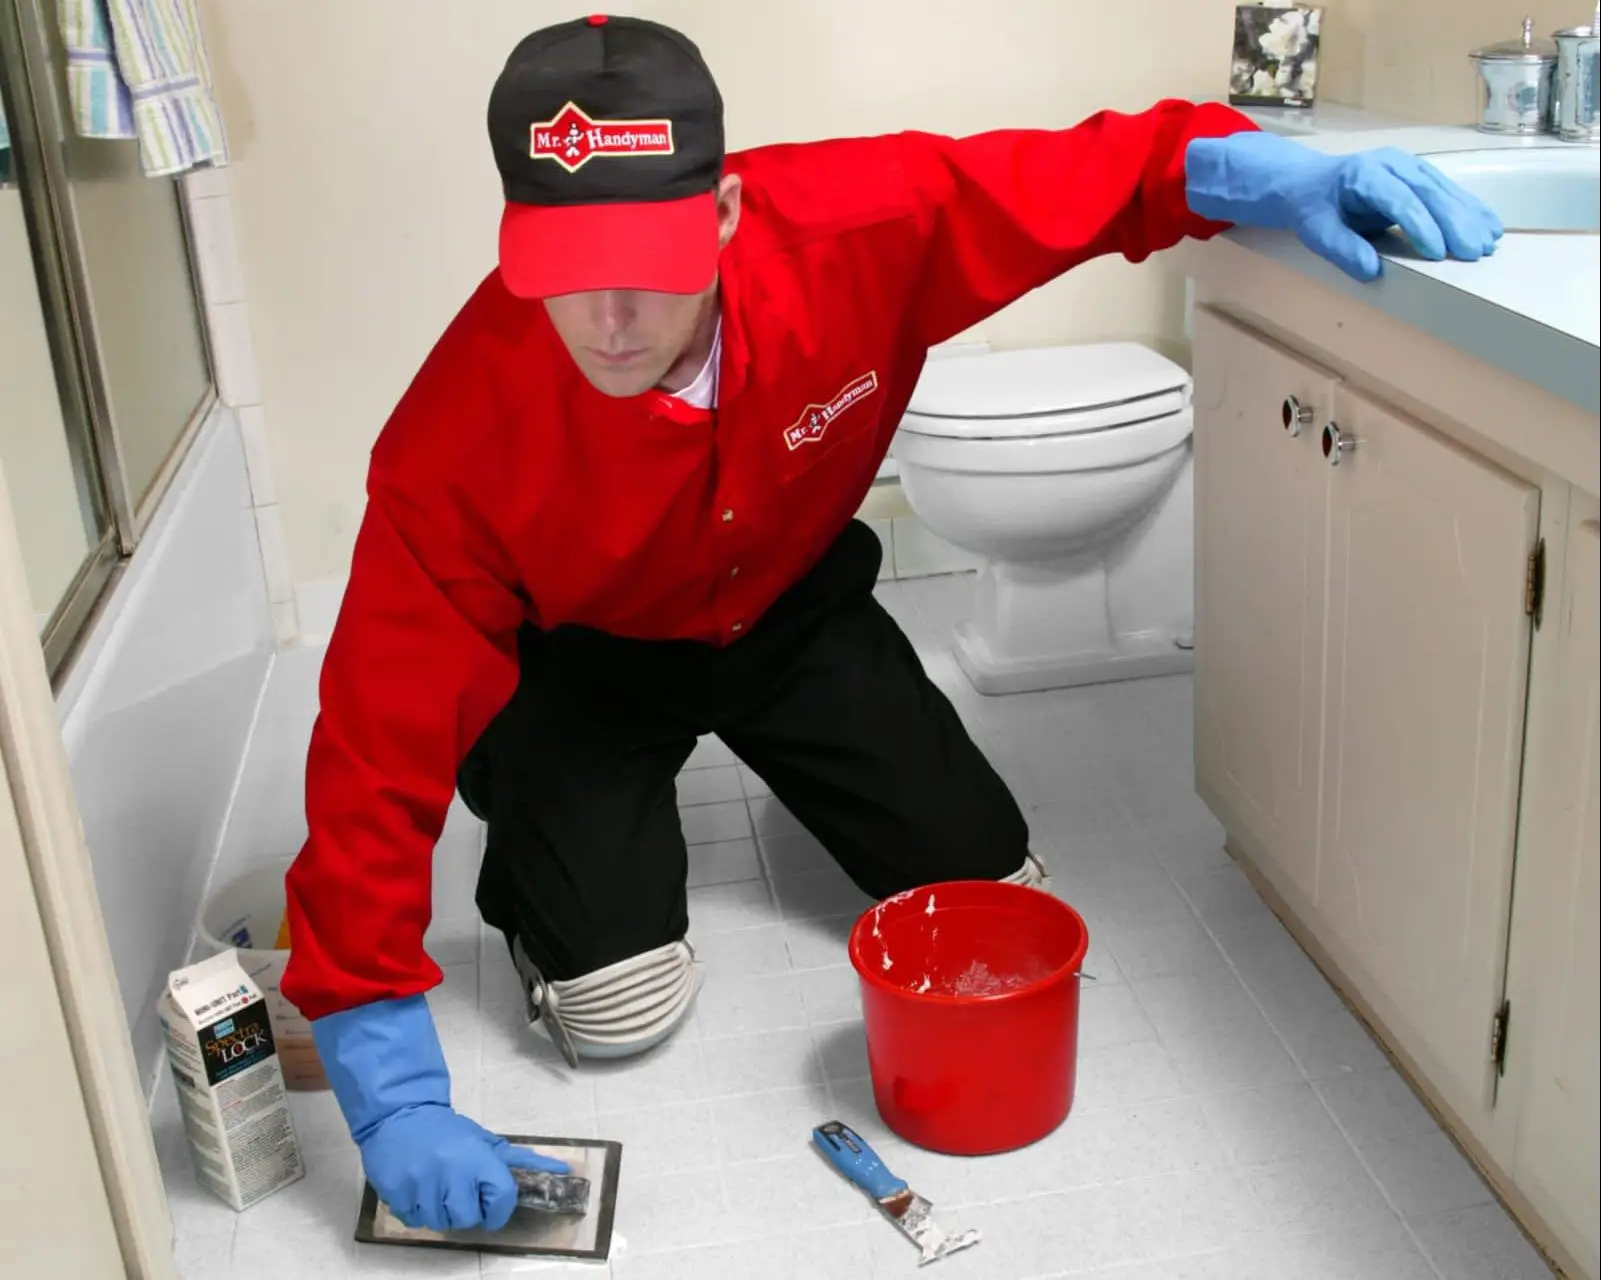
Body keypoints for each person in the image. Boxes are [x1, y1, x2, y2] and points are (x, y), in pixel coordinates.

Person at [279, 13, 1501, 1237]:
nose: (606, 319)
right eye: (561, 271)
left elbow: (1078, 178)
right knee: (616, 1013)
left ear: (722, 214)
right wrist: (385, 1085)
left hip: (790, 608)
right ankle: (556, 849)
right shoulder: (453, 437)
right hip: (585, 665)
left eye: (646, 264)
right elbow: (373, 749)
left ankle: (803, 770)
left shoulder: (856, 226)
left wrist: (1241, 169)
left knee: (990, 894)